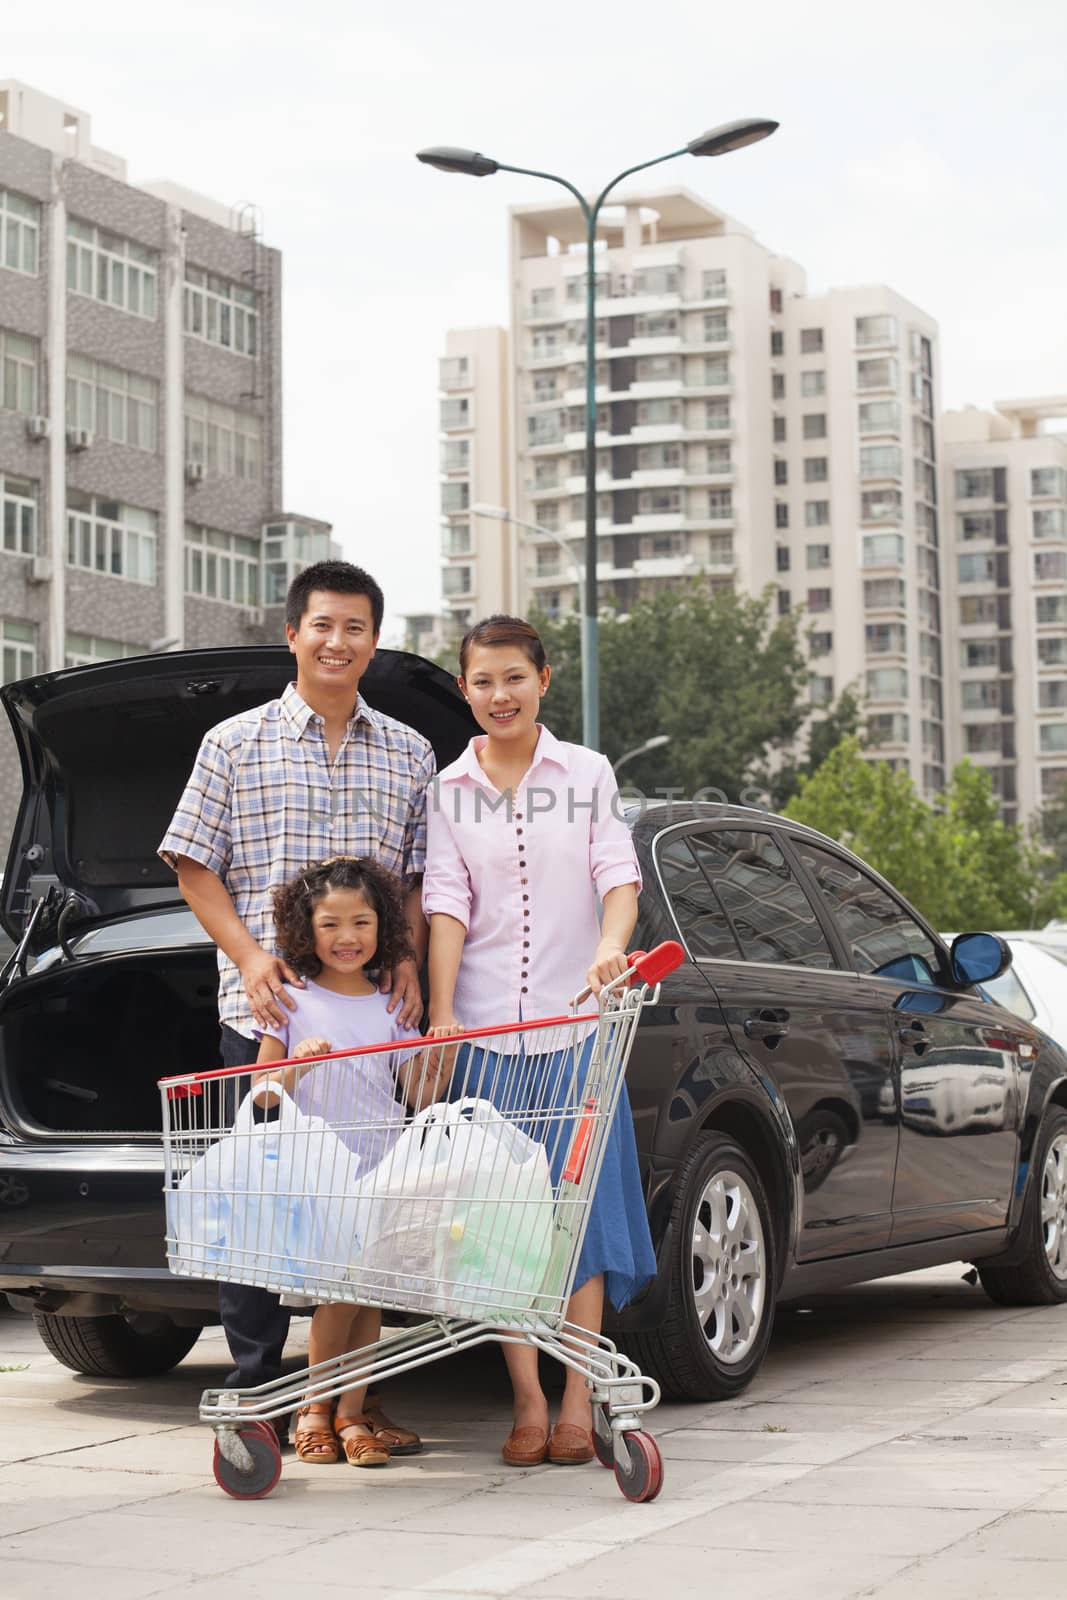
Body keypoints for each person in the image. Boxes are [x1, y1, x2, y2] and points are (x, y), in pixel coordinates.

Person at [159, 560, 433, 1453]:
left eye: (355, 627)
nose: (337, 641)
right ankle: (256, 1386)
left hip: (368, 1021)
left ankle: (351, 1396)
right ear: (293, 633)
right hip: (270, 1011)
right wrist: (249, 955)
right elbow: (194, 862)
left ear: (373, 641)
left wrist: (413, 969)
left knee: (367, 1212)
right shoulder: (233, 743)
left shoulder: (409, 752)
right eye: (322, 625)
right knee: (266, 1201)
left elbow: (419, 882)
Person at [423, 614, 656, 1468]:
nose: (499, 695)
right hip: (485, 1037)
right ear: (465, 691)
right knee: (495, 1229)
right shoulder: (447, 791)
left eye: (514, 677)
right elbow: (445, 903)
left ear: (543, 681)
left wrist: (607, 947)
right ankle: (522, 1399)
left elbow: (617, 877)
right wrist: (444, 1012)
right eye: (482, 681)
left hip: (573, 1031)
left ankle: (574, 1398)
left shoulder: (584, 773)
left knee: (576, 1221)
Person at [252, 856, 450, 1466]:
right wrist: (296, 1064)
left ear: (382, 927)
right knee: (338, 1293)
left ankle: (350, 1413)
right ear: (305, 930)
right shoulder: (293, 1000)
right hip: (323, 1170)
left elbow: (420, 1096)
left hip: (382, 1164)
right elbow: (261, 1093)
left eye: (361, 923)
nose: (346, 937)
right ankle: (315, 1409)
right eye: (330, 923)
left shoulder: (390, 1005)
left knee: (367, 1297)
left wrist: (436, 1056)